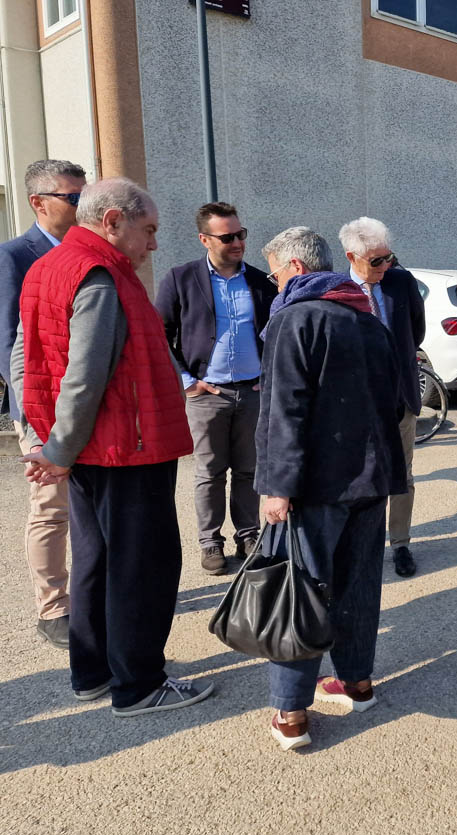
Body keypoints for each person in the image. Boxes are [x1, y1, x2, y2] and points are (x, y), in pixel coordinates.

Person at [17, 177, 211, 715]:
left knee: (97, 558)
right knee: (142, 565)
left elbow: (26, 358)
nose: (153, 243)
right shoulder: (99, 276)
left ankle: (94, 672)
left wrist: (53, 442)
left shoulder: (54, 266)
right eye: (148, 230)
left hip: (99, 446)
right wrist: (57, 448)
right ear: (112, 221)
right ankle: (139, 683)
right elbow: (83, 375)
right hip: (126, 446)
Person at [256, 227, 407, 751]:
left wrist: (276, 486)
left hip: (315, 483)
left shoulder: (293, 319)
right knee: (358, 584)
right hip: (371, 477)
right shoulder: (367, 318)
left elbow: (282, 409)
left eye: (275, 274)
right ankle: (357, 683)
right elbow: (395, 401)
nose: (275, 284)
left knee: (302, 588)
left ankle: (291, 712)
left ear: (295, 268)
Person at [154, 201, 276, 575]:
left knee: (248, 470)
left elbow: (276, 333)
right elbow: (160, 335)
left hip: (252, 392)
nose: (237, 242)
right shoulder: (180, 279)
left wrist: (268, 377)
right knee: (209, 472)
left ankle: (248, 535)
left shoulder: (261, 282)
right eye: (228, 237)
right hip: (207, 395)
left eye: (241, 234)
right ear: (204, 239)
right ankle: (210, 542)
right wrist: (188, 383)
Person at [0, 159, 86, 649]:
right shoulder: (14, 257)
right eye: (73, 198)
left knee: (90, 505)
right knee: (51, 508)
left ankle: (92, 593)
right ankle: (53, 606)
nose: (82, 205)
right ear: (39, 203)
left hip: (84, 404)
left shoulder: (87, 252)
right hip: (40, 408)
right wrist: (33, 419)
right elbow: (7, 341)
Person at [339, 217, 425, 578]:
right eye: (376, 261)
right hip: (359, 405)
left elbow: (416, 332)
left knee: (402, 475)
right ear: (351, 257)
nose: (385, 266)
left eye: (388, 257)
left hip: (400, 398)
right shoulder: (338, 289)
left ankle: (400, 543)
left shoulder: (401, 282)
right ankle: (363, 543)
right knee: (362, 477)